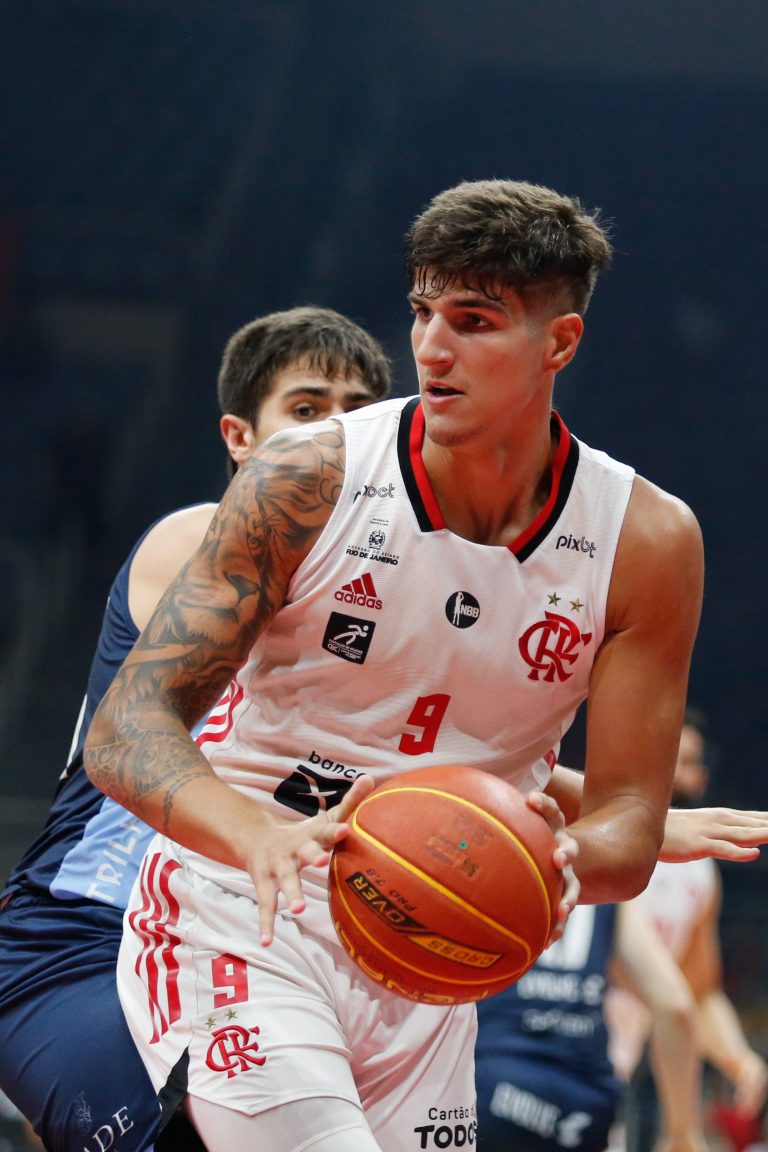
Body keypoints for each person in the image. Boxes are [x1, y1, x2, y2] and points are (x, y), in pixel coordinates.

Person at [82, 177, 727, 1152]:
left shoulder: (647, 541)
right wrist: (251, 836)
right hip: (247, 907)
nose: (431, 346)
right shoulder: (307, 476)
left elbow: (630, 819)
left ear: (559, 342)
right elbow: (126, 728)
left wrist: (547, 864)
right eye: (424, 311)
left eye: (474, 321)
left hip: (434, 953)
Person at [0, 305, 392, 1152]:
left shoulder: (389, 598)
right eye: (307, 409)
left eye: (358, 416)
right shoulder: (197, 542)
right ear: (241, 439)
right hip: (87, 933)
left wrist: (631, 816)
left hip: (249, 947)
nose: (336, 435)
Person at [607, 711, 768, 1152]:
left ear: (700, 778)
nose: (673, 766)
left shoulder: (701, 874)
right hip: (571, 1039)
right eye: (665, 753)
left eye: (687, 759)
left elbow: (699, 993)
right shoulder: (599, 839)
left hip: (638, 1056)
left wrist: (739, 1058)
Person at [475, 899, 708, 1152]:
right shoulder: (606, 892)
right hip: (583, 1108)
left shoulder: (485, 877)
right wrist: (681, 1131)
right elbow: (675, 1007)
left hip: (492, 1086)